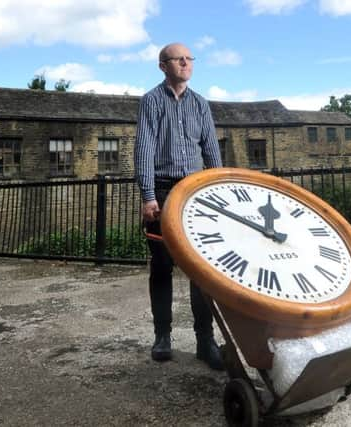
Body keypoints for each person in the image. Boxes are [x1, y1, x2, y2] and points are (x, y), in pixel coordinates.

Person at [134, 42, 224, 370]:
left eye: (190, 58)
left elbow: (211, 150)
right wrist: (148, 196)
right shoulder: (151, 101)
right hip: (162, 188)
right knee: (161, 267)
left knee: (202, 270)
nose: (186, 63)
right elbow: (144, 149)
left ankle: (205, 341)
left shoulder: (201, 104)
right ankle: (162, 337)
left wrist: (219, 190)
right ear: (163, 66)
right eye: (179, 59)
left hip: (197, 191)